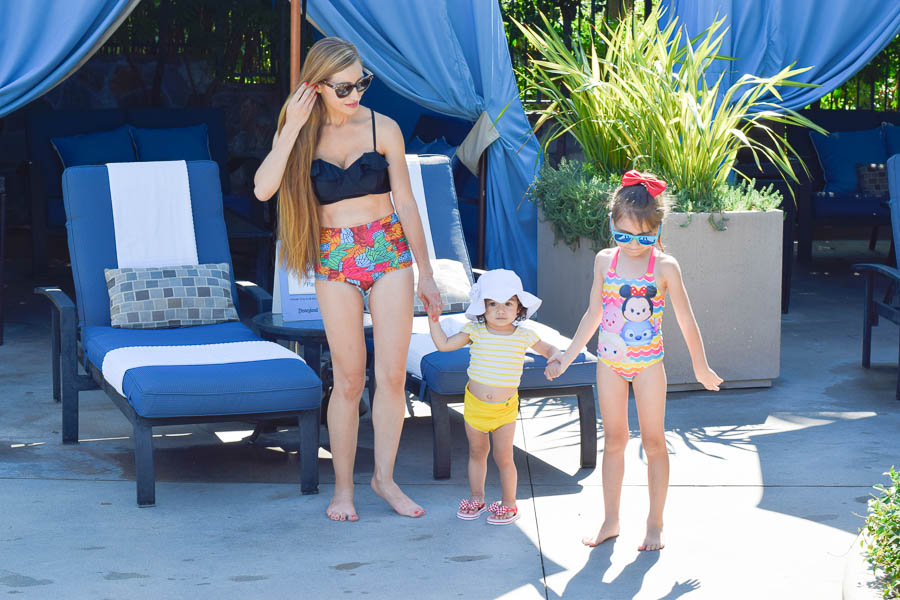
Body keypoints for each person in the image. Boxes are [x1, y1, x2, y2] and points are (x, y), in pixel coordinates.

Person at [253, 37, 442, 522]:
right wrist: (292, 127)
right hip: (334, 257)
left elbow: (407, 202)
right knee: (349, 378)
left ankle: (385, 479)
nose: (355, 94)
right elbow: (262, 189)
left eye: (361, 83)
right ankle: (343, 490)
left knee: (393, 376)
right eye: (343, 88)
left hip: (387, 250)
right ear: (316, 88)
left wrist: (428, 272)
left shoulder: (384, 127)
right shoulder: (301, 131)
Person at [545, 170, 722, 551]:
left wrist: (700, 365)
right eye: (623, 235)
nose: (633, 244)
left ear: (658, 229)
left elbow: (686, 320)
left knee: (655, 442)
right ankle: (611, 520)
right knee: (615, 440)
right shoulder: (604, 261)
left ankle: (654, 523)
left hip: (647, 366)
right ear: (612, 225)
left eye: (644, 237)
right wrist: (566, 356)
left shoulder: (664, 267)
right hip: (608, 363)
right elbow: (592, 314)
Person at [428, 270, 558, 525]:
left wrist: (555, 359)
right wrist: (434, 320)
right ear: (482, 308)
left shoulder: (523, 334)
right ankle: (477, 498)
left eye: (508, 303)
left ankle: (509, 503)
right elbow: (443, 344)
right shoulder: (475, 330)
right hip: (475, 407)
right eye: (492, 304)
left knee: (504, 456)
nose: (501, 310)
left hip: (504, 410)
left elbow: (549, 349)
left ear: (519, 306)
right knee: (477, 453)